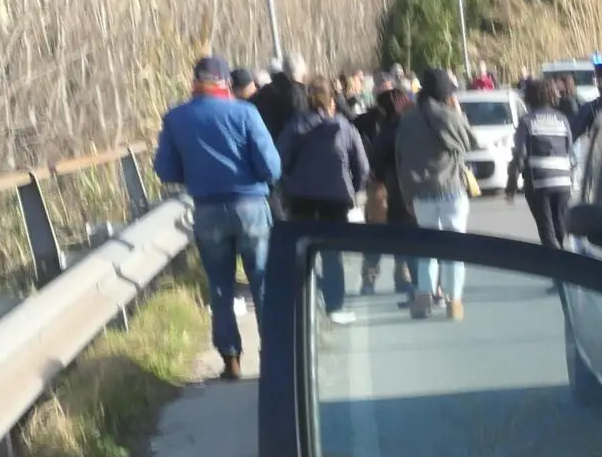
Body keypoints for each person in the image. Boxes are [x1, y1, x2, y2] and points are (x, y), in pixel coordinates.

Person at [153, 54, 281, 380]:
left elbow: (165, 169)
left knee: (221, 287)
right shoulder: (245, 113)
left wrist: (196, 172)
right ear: (225, 82)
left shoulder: (176, 118)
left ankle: (231, 360)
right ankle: (274, 358)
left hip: (208, 210)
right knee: (263, 282)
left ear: (195, 82)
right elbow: (272, 167)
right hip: (250, 206)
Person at [280, 78, 370, 325]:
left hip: (301, 199)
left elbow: (280, 161)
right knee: (332, 256)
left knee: (303, 254)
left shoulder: (295, 126)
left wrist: (289, 187)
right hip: (335, 200)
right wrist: (353, 190)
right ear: (332, 101)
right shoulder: (345, 128)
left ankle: (303, 304)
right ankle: (334, 306)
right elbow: (362, 167)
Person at [396, 68, 476, 320]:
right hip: (451, 190)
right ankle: (454, 302)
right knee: (454, 248)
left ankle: (423, 297)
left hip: (420, 193)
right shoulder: (449, 116)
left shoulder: (408, 120)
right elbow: (471, 141)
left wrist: (407, 195)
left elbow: (401, 161)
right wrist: (458, 111)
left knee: (427, 248)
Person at [355, 75, 415, 297]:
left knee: (381, 237)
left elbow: (375, 160)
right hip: (394, 189)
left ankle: (383, 279)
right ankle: (390, 279)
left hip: (384, 185)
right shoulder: (407, 126)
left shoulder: (389, 126)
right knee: (394, 237)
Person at [514, 76, 574, 248]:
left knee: (546, 231)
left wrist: (512, 183)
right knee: (560, 229)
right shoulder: (562, 119)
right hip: (563, 182)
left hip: (538, 184)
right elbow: (570, 151)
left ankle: (555, 267)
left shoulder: (527, 121)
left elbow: (520, 154)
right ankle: (563, 261)